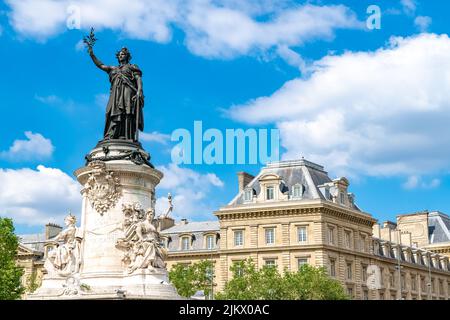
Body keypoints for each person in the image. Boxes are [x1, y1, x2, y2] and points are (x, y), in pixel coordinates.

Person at [88, 46, 144, 141]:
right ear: (117, 57)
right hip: (115, 93)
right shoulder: (113, 68)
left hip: (128, 90)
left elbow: (138, 79)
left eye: (123, 54)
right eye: (120, 54)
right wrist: (92, 55)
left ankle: (127, 136)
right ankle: (111, 135)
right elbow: (101, 65)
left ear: (127, 56)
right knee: (109, 112)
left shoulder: (132, 67)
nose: (121, 56)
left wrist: (139, 90)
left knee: (127, 111)